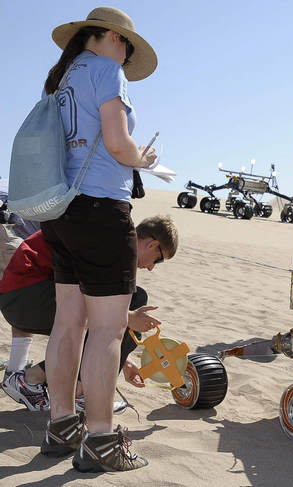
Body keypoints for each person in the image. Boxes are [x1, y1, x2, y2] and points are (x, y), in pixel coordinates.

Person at [36, 6, 161, 471]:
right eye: (126, 45)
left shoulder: (63, 76)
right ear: (112, 37)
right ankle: (102, 440)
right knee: (107, 329)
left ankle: (61, 425)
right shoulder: (107, 71)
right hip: (101, 208)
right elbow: (116, 142)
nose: (126, 56)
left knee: (68, 323)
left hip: (60, 209)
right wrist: (143, 158)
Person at [0, 215, 178, 414]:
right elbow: (89, 302)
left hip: (21, 299)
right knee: (131, 300)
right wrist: (127, 319)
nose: (152, 267)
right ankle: (51, 383)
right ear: (152, 244)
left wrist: (121, 357)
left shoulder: (114, 237)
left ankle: (75, 390)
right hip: (27, 298)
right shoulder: (111, 243)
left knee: (126, 301)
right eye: (159, 259)